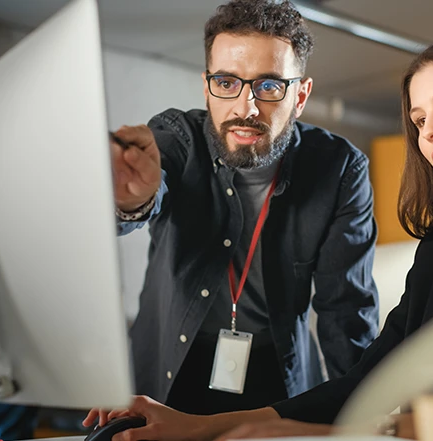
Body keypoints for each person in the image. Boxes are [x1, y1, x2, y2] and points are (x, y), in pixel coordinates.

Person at [84, 27, 433, 441]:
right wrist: (198, 426)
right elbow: (369, 381)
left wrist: (319, 432)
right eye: (419, 116)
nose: (429, 131)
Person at [108, 0, 379, 415]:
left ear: (301, 96)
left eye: (269, 86)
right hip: (170, 369)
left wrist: (367, 414)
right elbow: (149, 191)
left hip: (278, 374)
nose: (245, 109)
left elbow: (346, 309)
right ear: (207, 86)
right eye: (227, 83)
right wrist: (131, 200)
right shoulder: (176, 137)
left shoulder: (339, 169)